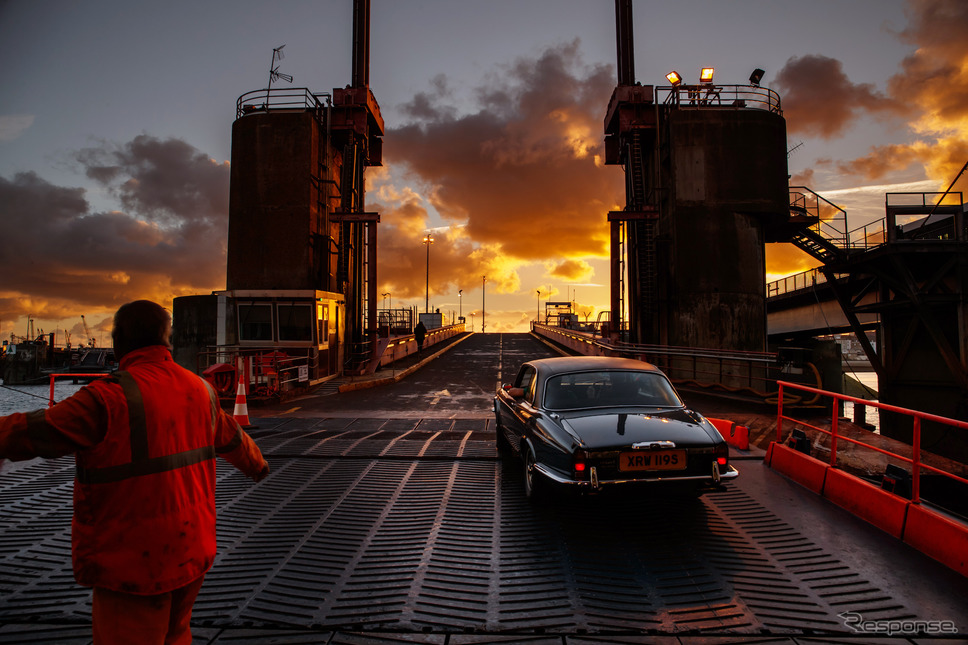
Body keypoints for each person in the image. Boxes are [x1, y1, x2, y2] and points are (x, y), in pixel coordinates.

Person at [0, 300, 268, 644]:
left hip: (134, 563)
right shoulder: (200, 389)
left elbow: (37, 431)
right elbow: (234, 439)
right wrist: (258, 467)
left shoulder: (107, 397)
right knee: (176, 634)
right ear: (165, 339)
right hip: (192, 551)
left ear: (118, 340)